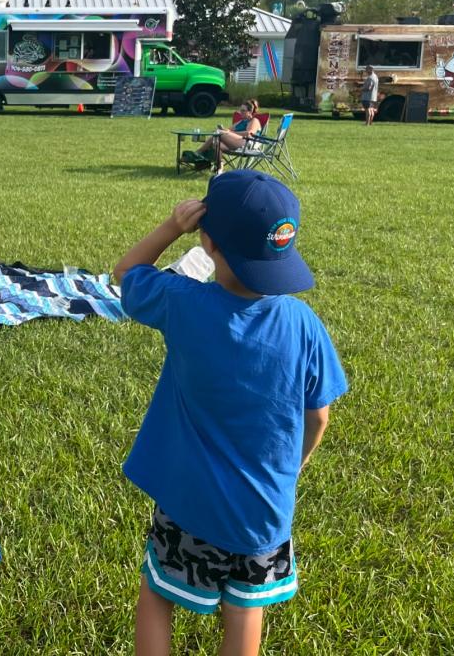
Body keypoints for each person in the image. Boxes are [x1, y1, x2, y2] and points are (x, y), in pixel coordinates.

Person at [112, 170, 346, 656]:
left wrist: (169, 227)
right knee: (244, 613)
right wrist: (293, 469)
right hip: (264, 514)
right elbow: (318, 415)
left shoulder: (182, 302)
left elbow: (126, 273)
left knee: (157, 597)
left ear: (209, 240)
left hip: (187, 503)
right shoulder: (304, 323)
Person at [183, 99, 262, 170]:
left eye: (243, 110)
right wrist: (223, 129)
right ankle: (219, 165)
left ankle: (198, 154)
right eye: (240, 110)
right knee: (216, 143)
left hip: (246, 143)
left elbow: (249, 133)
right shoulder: (241, 122)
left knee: (218, 134)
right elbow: (228, 130)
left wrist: (227, 133)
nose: (240, 112)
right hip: (235, 142)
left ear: (250, 112)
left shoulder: (254, 120)